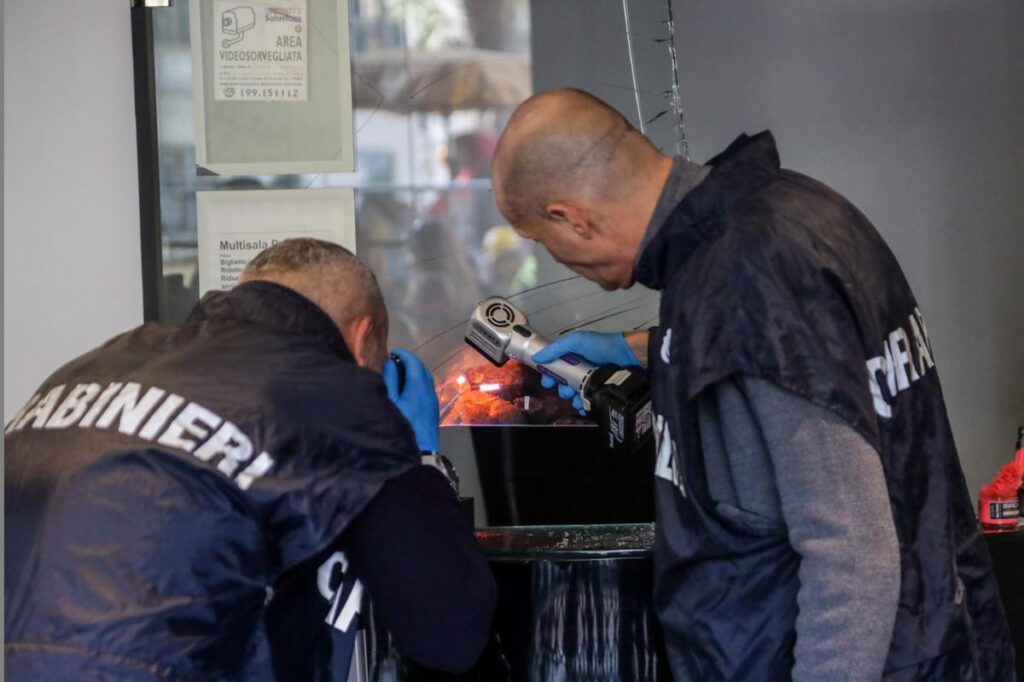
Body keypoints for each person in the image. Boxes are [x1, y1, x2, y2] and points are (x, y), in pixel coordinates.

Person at [490, 88, 1015, 680]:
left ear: (571, 218)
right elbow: (804, 354)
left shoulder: (746, 282)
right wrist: (639, 351)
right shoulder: (794, 211)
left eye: (544, 241)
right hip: (937, 632)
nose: (557, 259)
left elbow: (851, 555)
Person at [4, 238, 496, 680]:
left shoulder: (91, 367)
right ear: (361, 337)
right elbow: (449, 633)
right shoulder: (335, 395)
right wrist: (420, 460)